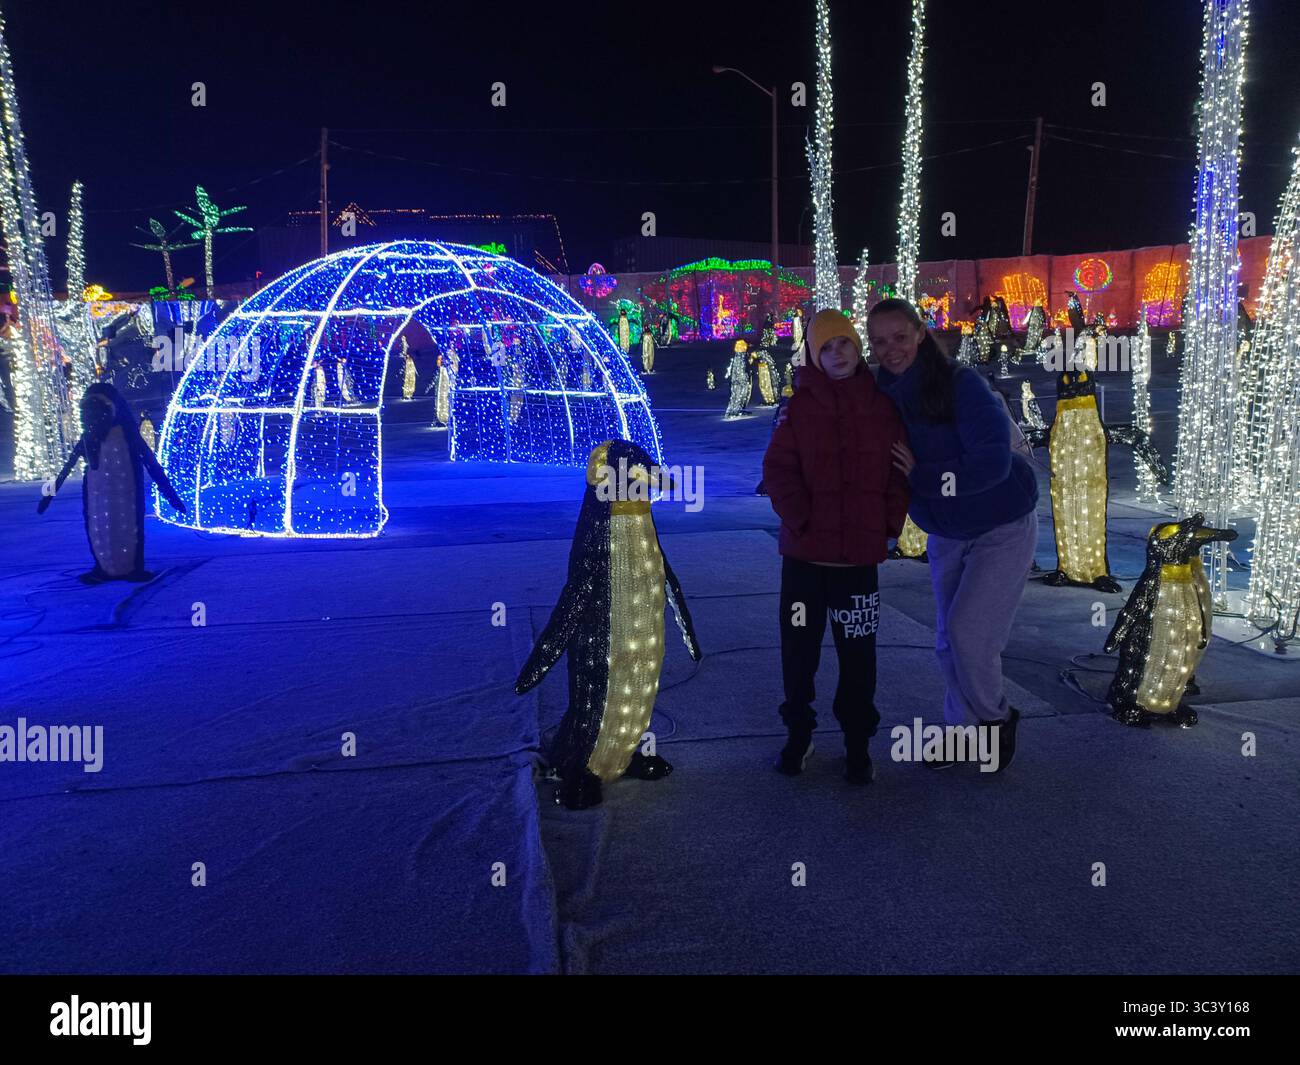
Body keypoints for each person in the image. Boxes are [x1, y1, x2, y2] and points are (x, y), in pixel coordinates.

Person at [869, 298, 1039, 773]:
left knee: (970, 634)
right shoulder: (879, 393)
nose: (890, 349)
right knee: (948, 639)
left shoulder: (961, 384)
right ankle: (961, 733)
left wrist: (925, 477)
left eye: (899, 337)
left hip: (1000, 522)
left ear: (920, 334)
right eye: (879, 341)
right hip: (946, 529)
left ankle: (996, 719)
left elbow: (993, 462)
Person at [762, 309, 910, 784]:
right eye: (826, 347)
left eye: (844, 343)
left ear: (857, 347)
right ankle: (799, 732)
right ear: (813, 353)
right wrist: (803, 520)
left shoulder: (882, 407)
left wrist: (887, 525)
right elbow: (778, 471)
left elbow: (896, 476)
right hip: (804, 561)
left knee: (858, 655)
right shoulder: (799, 407)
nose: (837, 353)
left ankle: (856, 741)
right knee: (799, 652)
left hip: (858, 564)